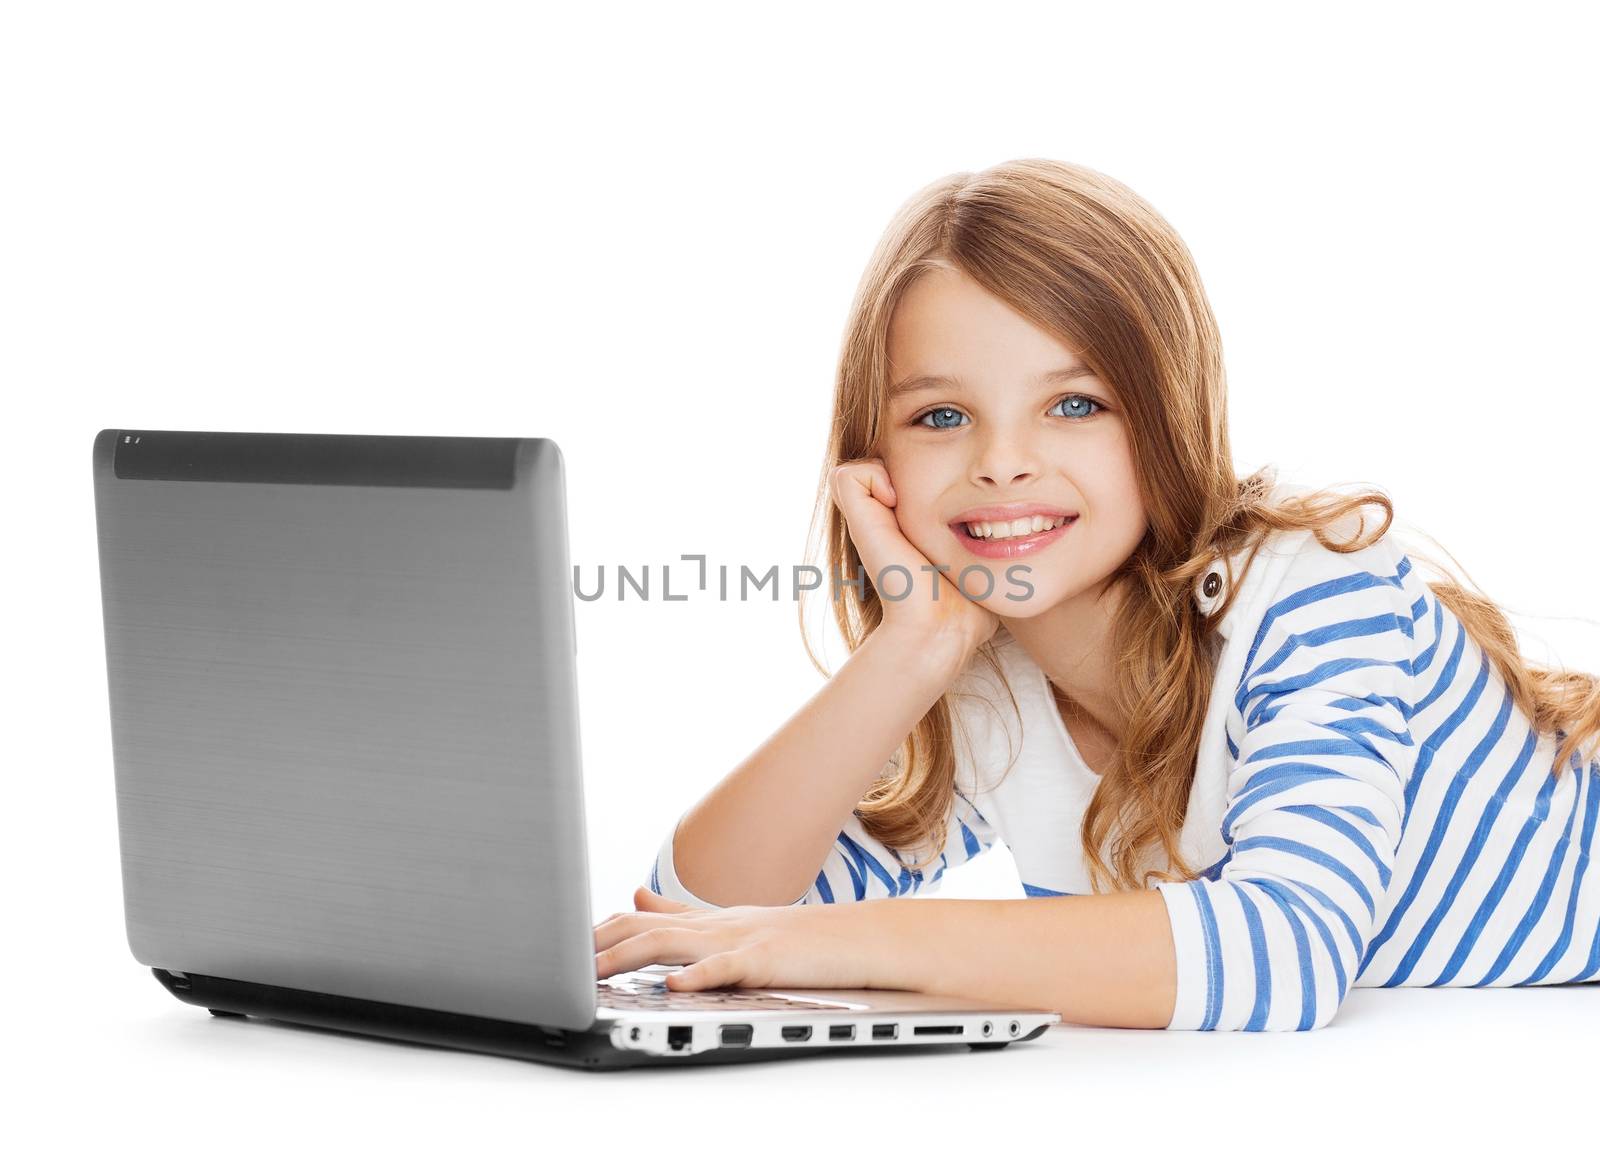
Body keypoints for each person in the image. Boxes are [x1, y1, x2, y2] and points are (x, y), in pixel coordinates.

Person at [591, 158, 1600, 1031]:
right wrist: (910, 647)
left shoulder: (1310, 589)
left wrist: (841, 944)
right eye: (941, 415)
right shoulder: (988, 683)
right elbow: (691, 920)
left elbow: (1286, 950)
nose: (1001, 463)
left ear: (1167, 417)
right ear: (875, 456)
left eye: (1073, 403)